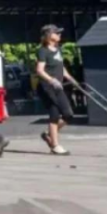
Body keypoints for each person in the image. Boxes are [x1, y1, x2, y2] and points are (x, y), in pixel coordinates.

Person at [36, 24, 77, 155]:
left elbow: (61, 67)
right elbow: (39, 70)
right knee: (54, 115)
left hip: (58, 87)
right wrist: (51, 80)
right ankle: (55, 145)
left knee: (68, 114)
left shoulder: (57, 49)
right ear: (49, 36)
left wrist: (70, 78)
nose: (59, 35)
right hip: (47, 88)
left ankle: (49, 134)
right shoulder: (43, 51)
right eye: (56, 33)